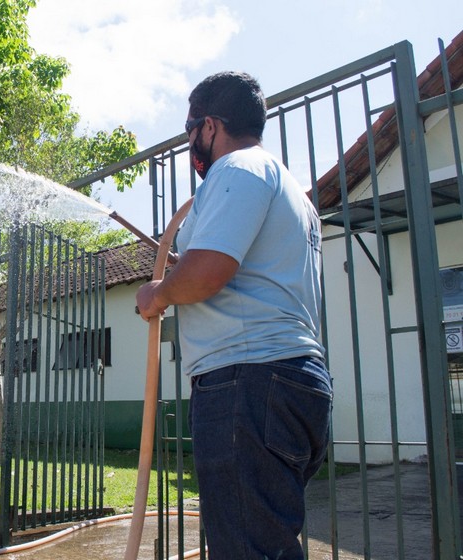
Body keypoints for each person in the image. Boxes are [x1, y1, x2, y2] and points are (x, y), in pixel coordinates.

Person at [136, 71, 333, 559]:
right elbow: (241, 271)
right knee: (266, 541)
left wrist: (159, 294)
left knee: (247, 549)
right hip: (294, 383)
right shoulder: (293, 192)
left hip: (248, 383)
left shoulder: (237, 169)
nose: (191, 144)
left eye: (190, 131)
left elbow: (207, 274)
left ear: (211, 126)